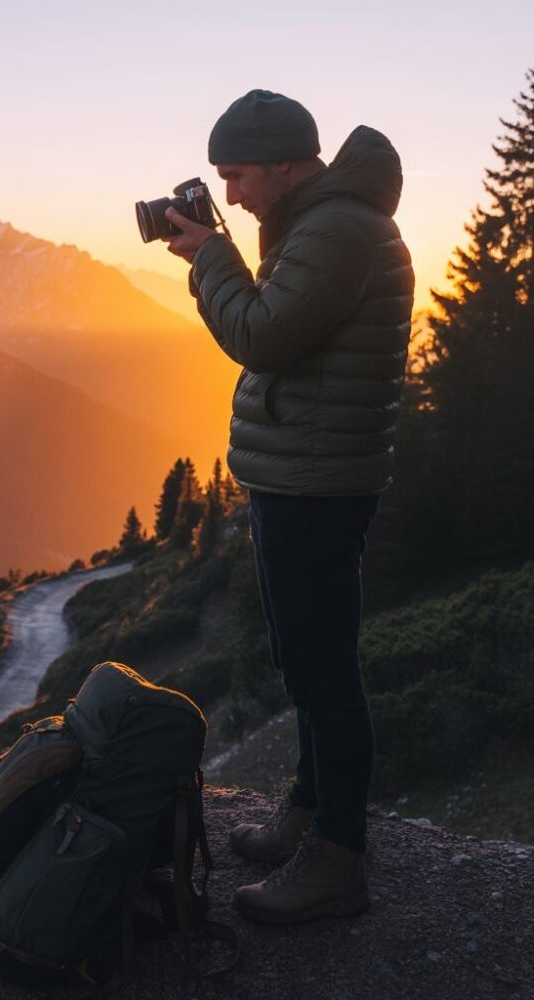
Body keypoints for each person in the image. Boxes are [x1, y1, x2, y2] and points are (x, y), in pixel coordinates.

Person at [162, 90, 413, 923]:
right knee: (306, 659)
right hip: (302, 472)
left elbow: (263, 336)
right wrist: (229, 254)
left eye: (235, 176)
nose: (229, 195)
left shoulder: (339, 230)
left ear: (280, 162)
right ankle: (310, 809)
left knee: (326, 672)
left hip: (317, 480)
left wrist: (210, 259)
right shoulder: (322, 224)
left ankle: (337, 859)